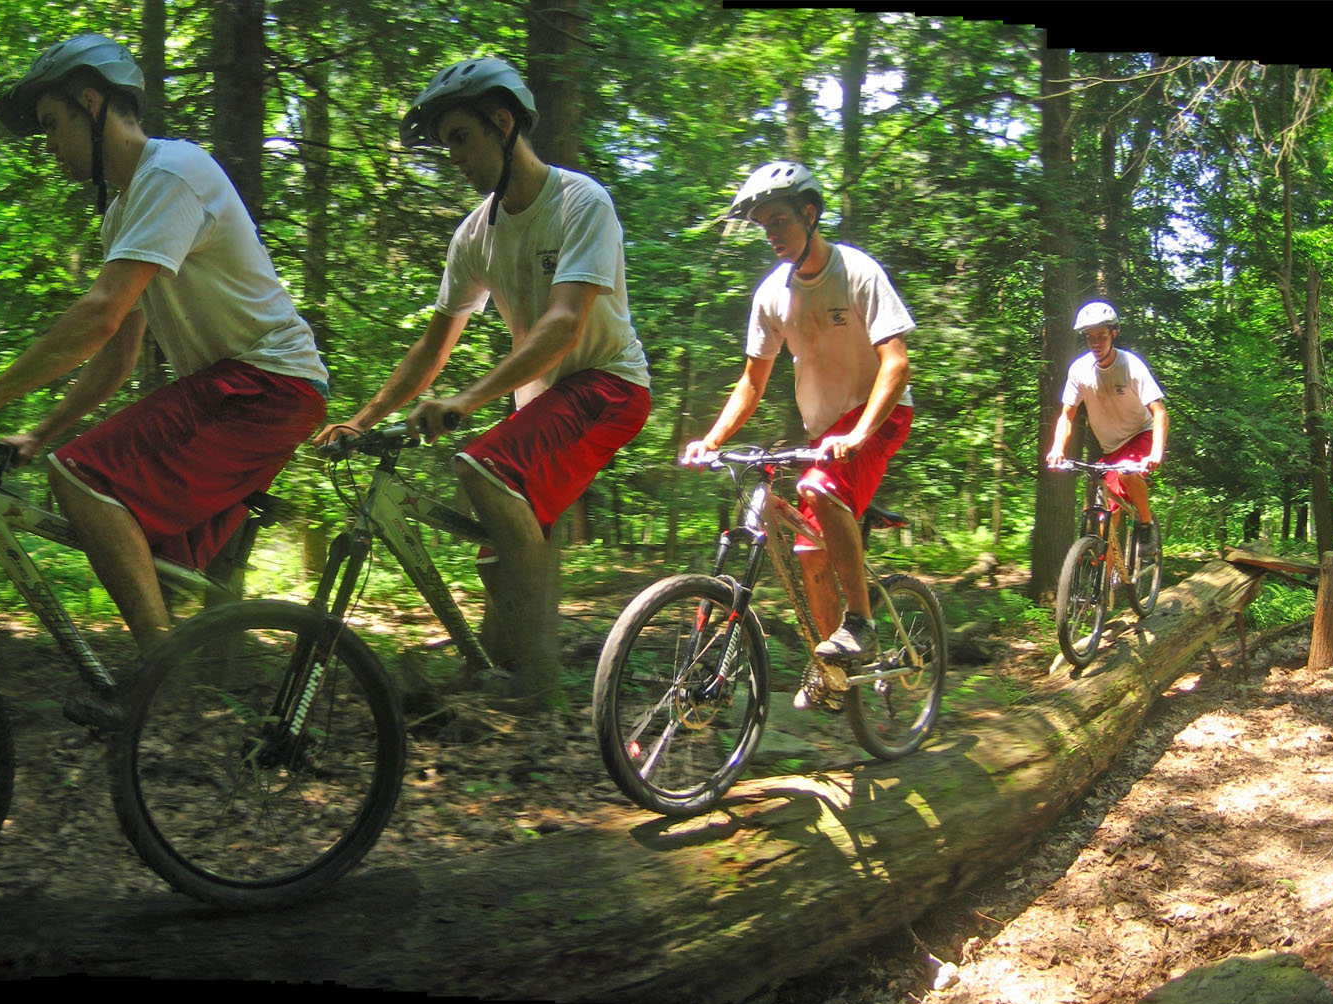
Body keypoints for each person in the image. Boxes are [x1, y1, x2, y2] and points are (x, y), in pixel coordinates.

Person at [0, 33, 329, 656]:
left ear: (92, 103)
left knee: (84, 475)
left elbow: (99, 316)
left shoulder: (171, 174)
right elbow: (117, 356)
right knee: (145, 549)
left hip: (266, 384)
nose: (50, 145)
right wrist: (41, 432)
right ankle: (187, 680)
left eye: (53, 124)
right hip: (242, 388)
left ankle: (153, 674)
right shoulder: (126, 209)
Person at [312, 57, 653, 687]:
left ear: (503, 123)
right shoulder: (474, 237)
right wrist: (361, 420)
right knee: (497, 552)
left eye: (461, 138)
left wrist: (466, 401)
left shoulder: (582, 203)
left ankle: (533, 684)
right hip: (544, 399)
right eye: (446, 146)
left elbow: (562, 326)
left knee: (482, 465)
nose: (454, 158)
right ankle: (499, 675)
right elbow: (431, 347)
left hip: (610, 384)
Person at [681, 161, 914, 689]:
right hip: (825, 430)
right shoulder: (770, 295)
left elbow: (897, 363)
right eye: (764, 226)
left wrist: (858, 434)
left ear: (809, 215)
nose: (772, 235)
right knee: (810, 555)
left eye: (780, 221)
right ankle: (835, 673)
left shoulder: (857, 271)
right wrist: (713, 439)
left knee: (815, 486)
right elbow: (751, 382)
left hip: (879, 414)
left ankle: (861, 624)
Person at [1043, 299, 1168, 561]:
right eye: (1090, 338)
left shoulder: (1130, 366)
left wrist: (1155, 453)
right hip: (1111, 448)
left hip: (1140, 435)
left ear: (1114, 333)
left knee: (1128, 472)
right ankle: (1103, 589)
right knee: (1105, 519)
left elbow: (1159, 412)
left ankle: (1145, 526)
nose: (1096, 344)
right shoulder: (1079, 370)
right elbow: (1067, 415)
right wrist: (1057, 447)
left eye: (1101, 336)